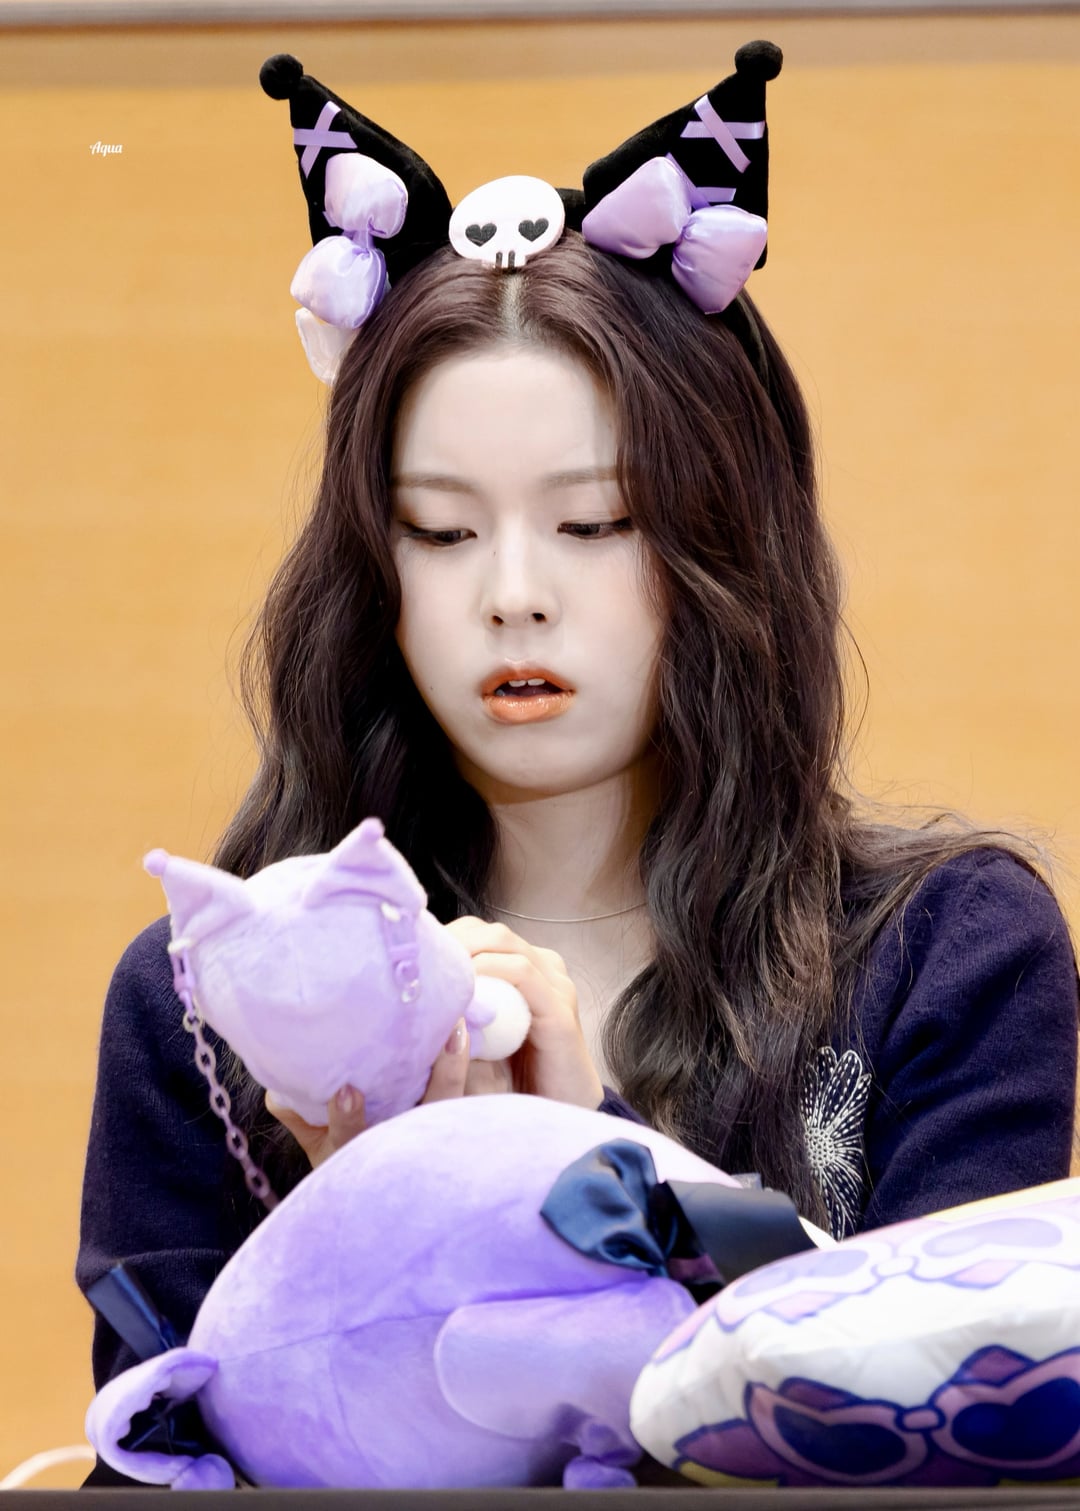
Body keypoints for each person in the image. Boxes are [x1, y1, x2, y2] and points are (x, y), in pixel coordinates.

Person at [77, 46, 1077, 1485]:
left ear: (724, 543)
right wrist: (352, 1223)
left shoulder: (945, 950)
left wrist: (573, 1170)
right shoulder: (214, 999)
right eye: (440, 530)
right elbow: (144, 1463)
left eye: (595, 523)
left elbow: (960, 1453)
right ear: (372, 572)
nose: (513, 596)